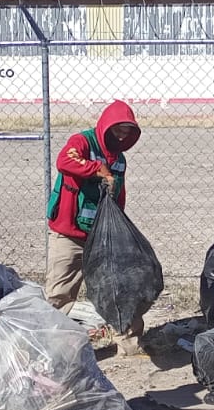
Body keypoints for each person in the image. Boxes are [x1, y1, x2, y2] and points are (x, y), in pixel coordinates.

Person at [45, 100, 144, 354]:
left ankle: (130, 346)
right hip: (69, 234)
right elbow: (64, 162)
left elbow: (118, 196)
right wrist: (97, 169)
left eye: (127, 131)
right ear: (106, 126)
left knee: (119, 290)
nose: (121, 135)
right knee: (59, 294)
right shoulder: (83, 142)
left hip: (102, 237)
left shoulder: (119, 160)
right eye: (118, 129)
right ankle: (52, 348)